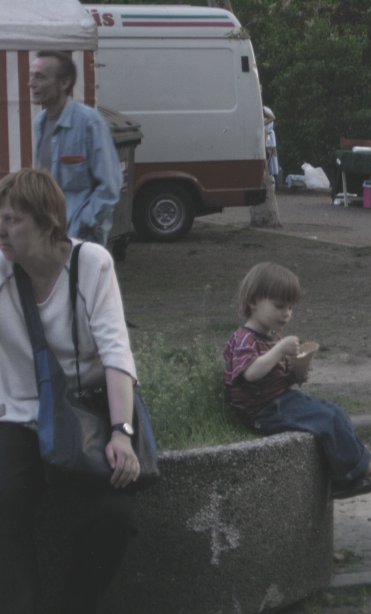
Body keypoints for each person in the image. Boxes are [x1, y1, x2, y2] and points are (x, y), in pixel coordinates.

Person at [0, 168, 140, 612]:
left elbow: (116, 352)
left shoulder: (91, 263)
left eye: (10, 220)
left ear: (47, 223)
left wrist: (121, 432)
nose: (0, 230)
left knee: (113, 517)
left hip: (83, 414)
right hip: (15, 418)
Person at [223, 262, 371, 499]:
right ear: (253, 302)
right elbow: (251, 373)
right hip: (262, 412)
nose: (286, 314)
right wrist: (280, 349)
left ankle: (352, 472)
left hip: (279, 400)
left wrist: (296, 373)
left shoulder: (271, 336)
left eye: (291, 308)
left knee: (335, 412)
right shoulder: (244, 339)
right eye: (280, 306)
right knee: (326, 419)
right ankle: (357, 474)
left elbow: (275, 374)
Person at [29, 50, 122, 246]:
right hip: (48, 236)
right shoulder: (40, 123)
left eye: (40, 77)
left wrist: (84, 223)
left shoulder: (89, 122)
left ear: (64, 83)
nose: (32, 83)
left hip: (82, 239)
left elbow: (110, 186)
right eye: (31, 76)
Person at [263, 105, 280, 185]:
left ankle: (273, 178)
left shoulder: (263, 109)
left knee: (269, 155)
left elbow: (272, 117)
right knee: (271, 155)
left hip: (268, 135)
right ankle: (274, 178)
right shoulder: (265, 108)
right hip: (267, 134)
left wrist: (261, 123)